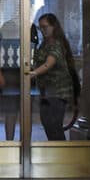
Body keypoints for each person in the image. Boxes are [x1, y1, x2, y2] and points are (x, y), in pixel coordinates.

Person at [26, 13, 76, 141]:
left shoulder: (56, 44)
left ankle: (61, 154)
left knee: (54, 125)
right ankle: (55, 152)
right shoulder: (44, 43)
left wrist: (33, 73)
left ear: (54, 27)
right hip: (47, 91)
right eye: (41, 27)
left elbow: (48, 63)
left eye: (45, 27)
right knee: (48, 124)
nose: (43, 30)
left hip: (57, 92)